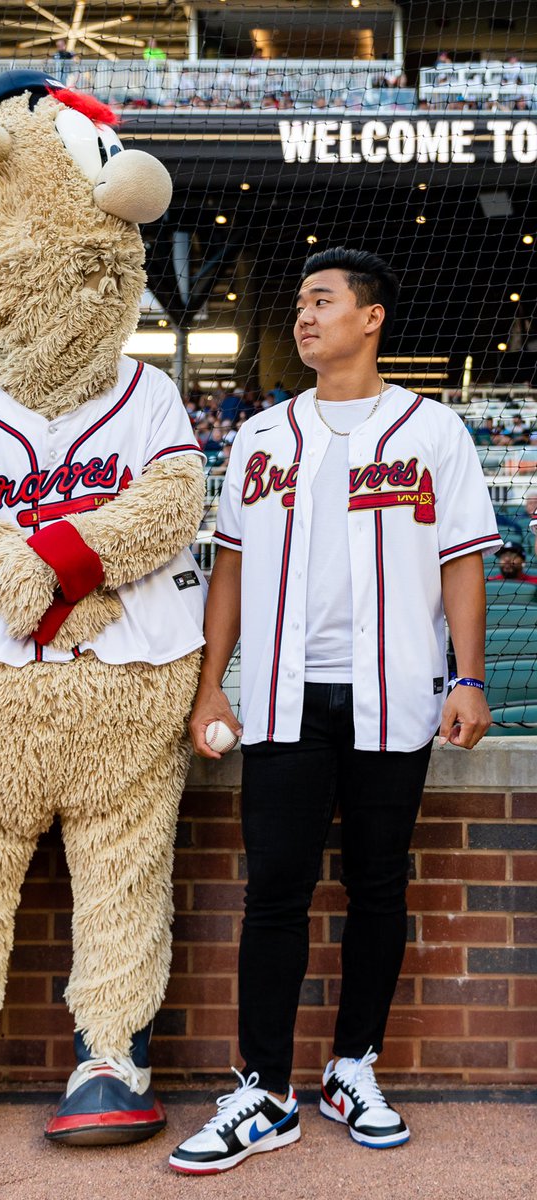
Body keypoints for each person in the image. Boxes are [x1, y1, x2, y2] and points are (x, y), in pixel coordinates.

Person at [170, 246, 501, 1174]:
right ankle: (263, 1088)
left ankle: (353, 1065)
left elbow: (464, 560)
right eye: (302, 303)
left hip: (396, 692)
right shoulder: (261, 437)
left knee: (378, 885)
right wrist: (209, 683)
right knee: (273, 890)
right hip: (279, 694)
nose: (306, 316)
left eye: (324, 301)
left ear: (372, 318)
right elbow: (228, 565)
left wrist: (468, 679)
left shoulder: (433, 431)